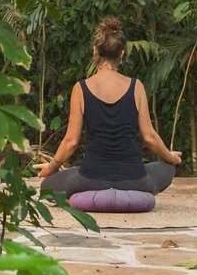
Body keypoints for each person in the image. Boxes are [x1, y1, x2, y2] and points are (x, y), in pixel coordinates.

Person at [35, 17, 181, 196]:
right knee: (166, 169)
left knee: (48, 185)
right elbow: (149, 137)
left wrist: (51, 168)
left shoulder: (81, 88)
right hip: (136, 180)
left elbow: (71, 142)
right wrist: (170, 157)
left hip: (91, 180)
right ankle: (135, 190)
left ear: (95, 50)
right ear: (122, 53)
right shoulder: (136, 86)